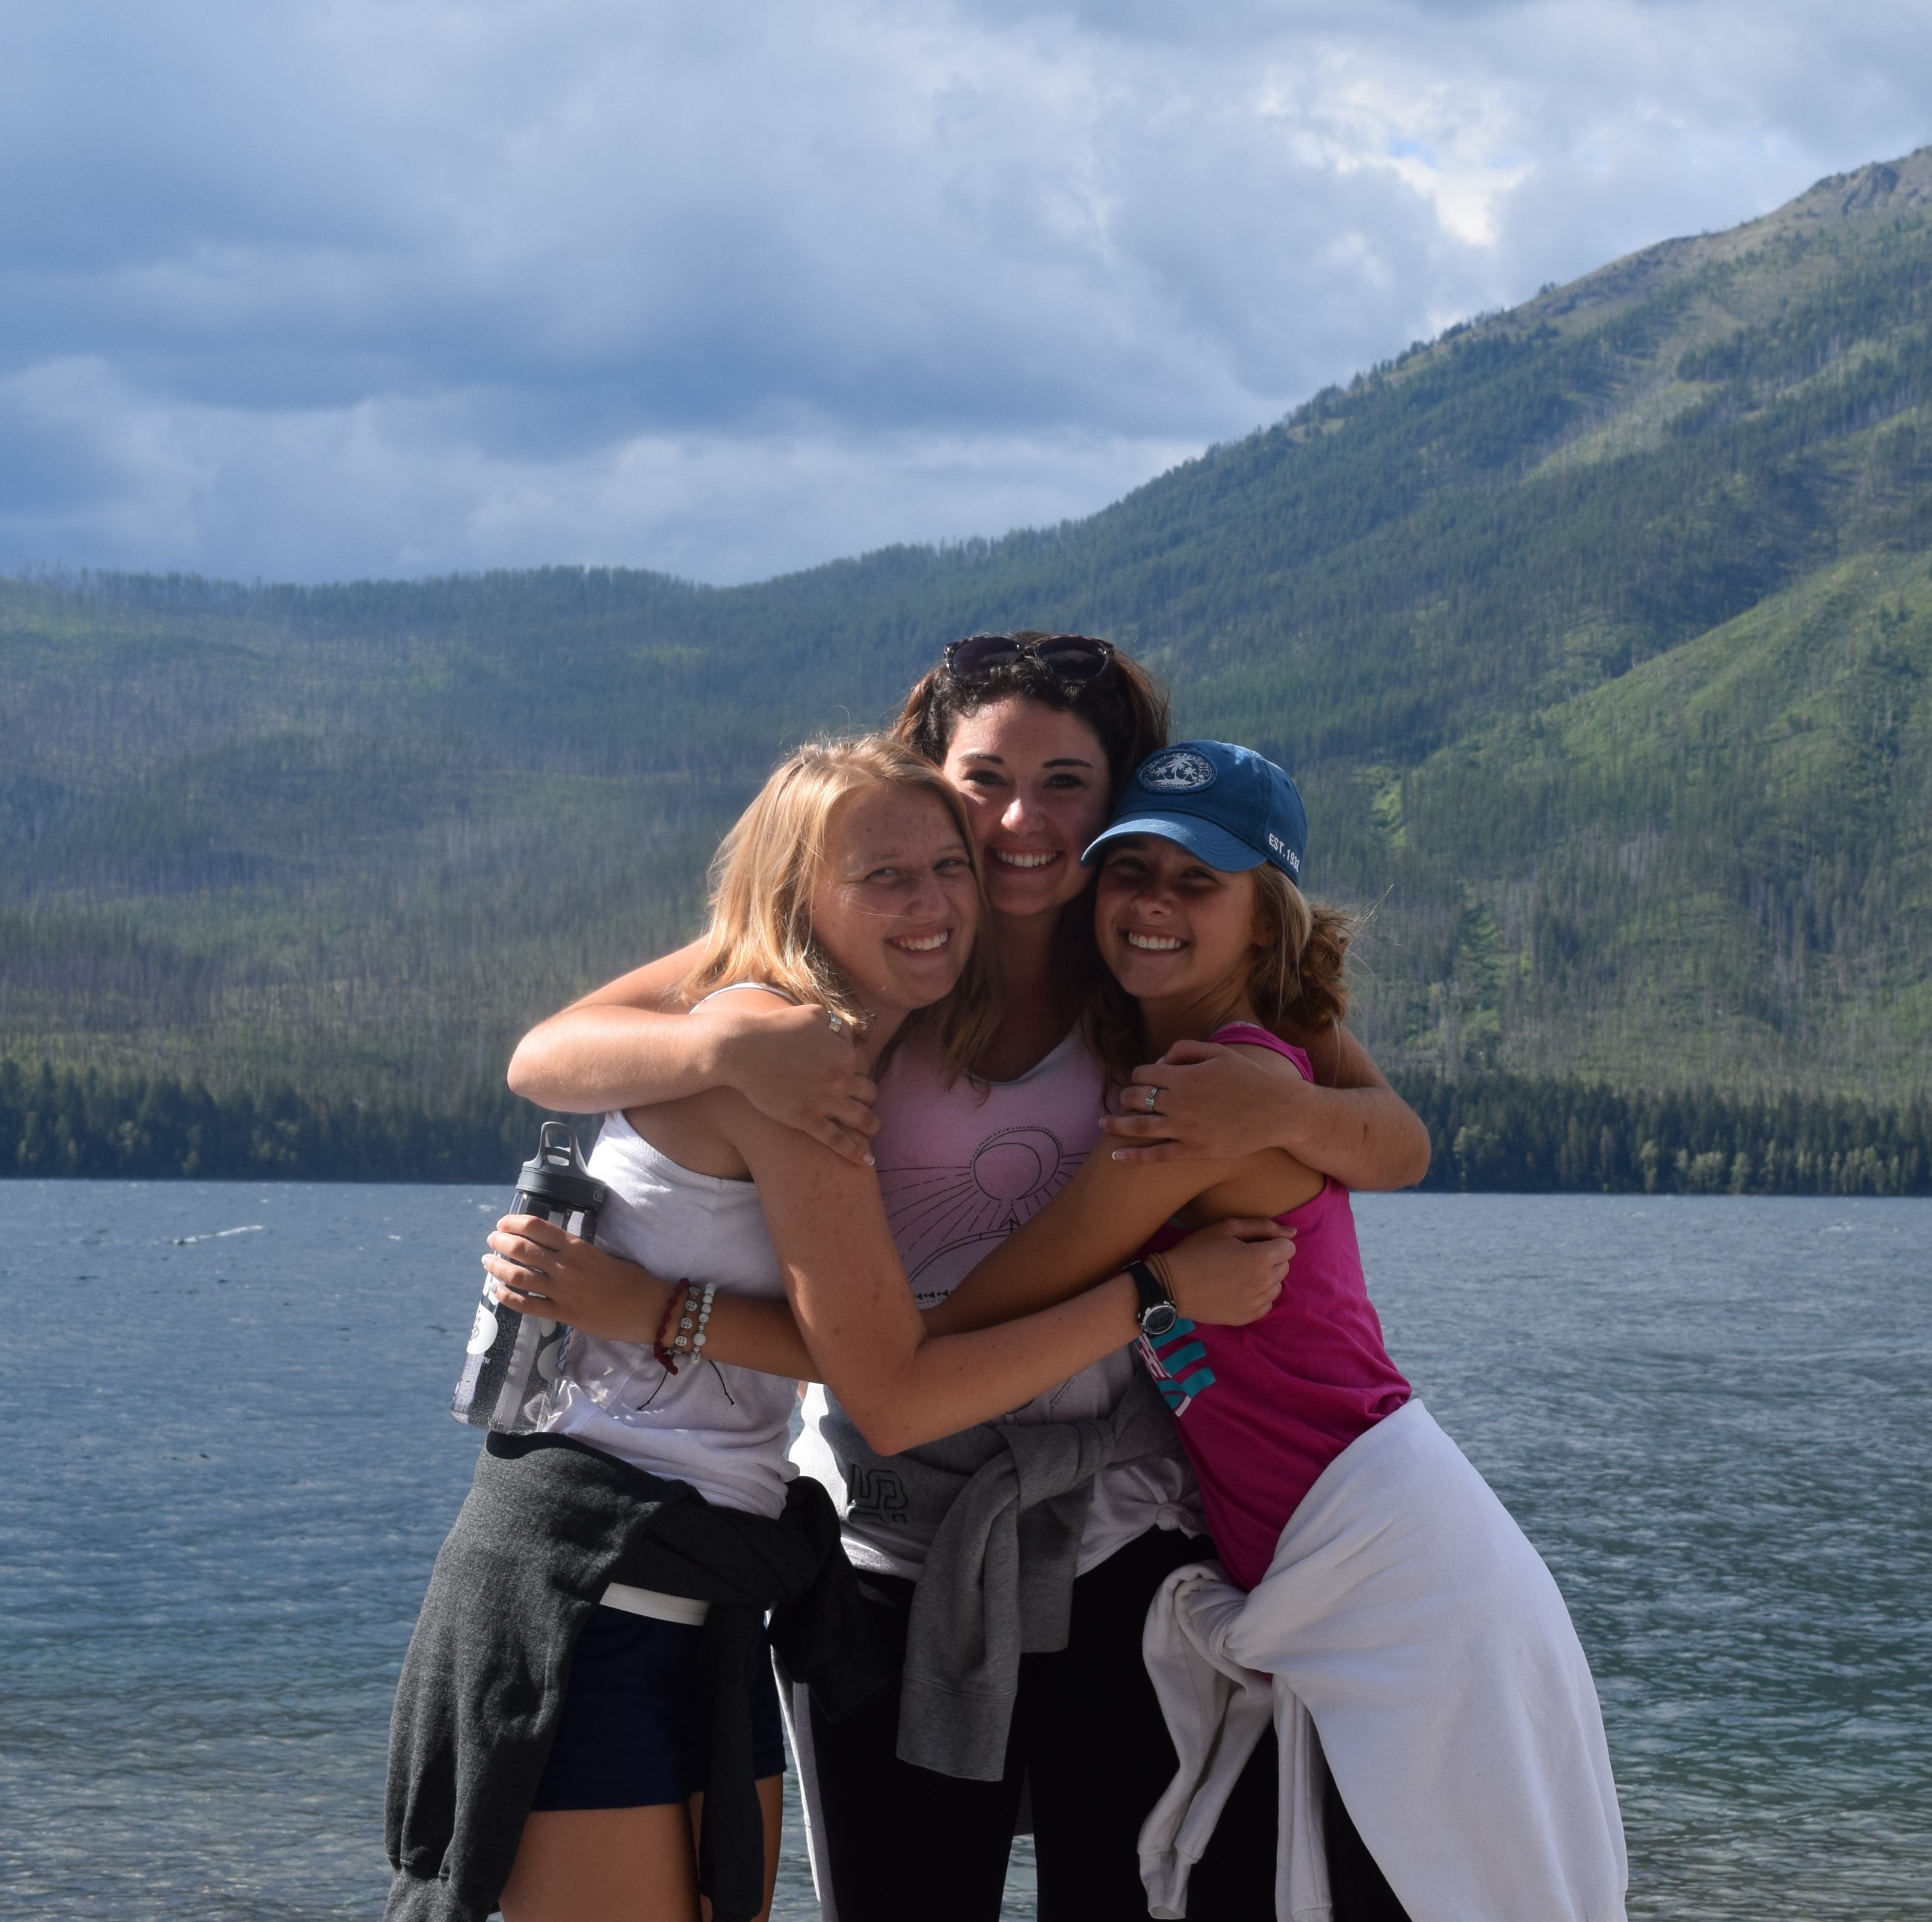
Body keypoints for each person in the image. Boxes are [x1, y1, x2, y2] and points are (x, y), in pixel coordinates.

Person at [494, 632, 1434, 1921]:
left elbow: (1391, 1137)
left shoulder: (1156, 964)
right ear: (930, 775)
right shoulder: (880, 944)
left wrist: (1288, 1109)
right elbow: (549, 1053)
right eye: (985, 776)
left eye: (1067, 781)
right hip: (889, 1542)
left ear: (1121, 797)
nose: (1018, 819)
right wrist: (719, 1040)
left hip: (1126, 1535)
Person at [925, 741, 1629, 1922]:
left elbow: (982, 1313)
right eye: (1128, 868)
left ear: (1265, 919)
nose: (1152, 901)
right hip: (1372, 1533)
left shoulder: (1198, 1095)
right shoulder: (1241, 1047)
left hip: (1392, 1560)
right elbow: (1400, 1139)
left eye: (1196, 880)